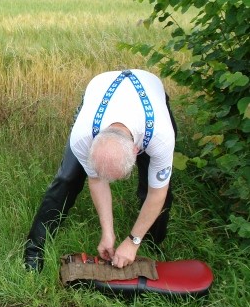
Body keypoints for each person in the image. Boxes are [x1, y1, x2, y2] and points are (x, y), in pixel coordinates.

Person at [24, 69, 177, 271]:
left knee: (153, 188)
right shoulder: (83, 136)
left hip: (151, 91)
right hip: (100, 89)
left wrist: (132, 241)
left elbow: (157, 193)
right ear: (92, 145)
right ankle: (34, 249)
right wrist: (108, 233)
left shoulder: (161, 137)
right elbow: (96, 180)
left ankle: (150, 244)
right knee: (67, 179)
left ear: (136, 150)